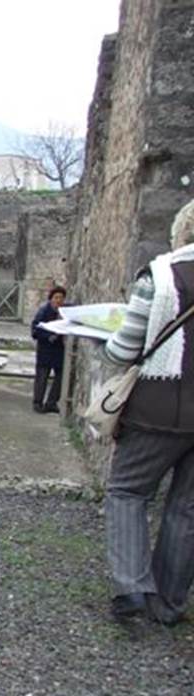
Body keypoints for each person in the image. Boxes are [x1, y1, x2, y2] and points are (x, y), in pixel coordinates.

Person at [102, 198, 194, 623]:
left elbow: (123, 350)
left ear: (182, 231)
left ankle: (133, 588)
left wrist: (105, 337)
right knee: (186, 507)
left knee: (128, 491)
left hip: (157, 408)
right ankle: (169, 602)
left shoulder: (159, 278)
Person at [30, 286, 67, 413]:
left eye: (61, 298)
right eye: (56, 297)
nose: (58, 300)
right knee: (42, 376)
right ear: (51, 299)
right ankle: (38, 402)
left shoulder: (64, 312)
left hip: (58, 349)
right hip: (45, 348)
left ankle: (51, 402)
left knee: (60, 376)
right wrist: (48, 336)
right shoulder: (43, 311)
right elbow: (35, 330)